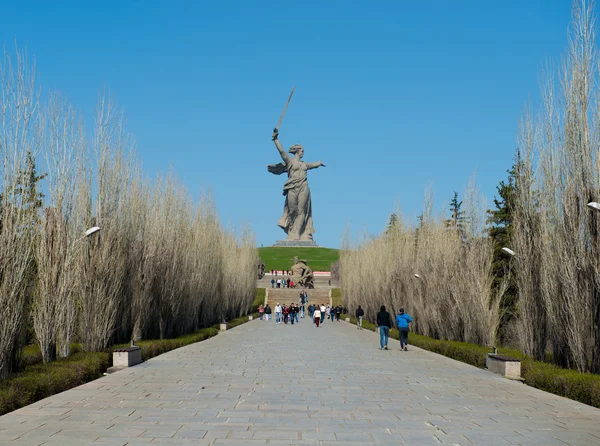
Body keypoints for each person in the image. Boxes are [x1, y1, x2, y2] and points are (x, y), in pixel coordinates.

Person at [268, 128, 326, 242]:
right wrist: (275, 139)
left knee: (301, 211)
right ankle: (291, 232)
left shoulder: (305, 164)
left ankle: (297, 234)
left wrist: (319, 163)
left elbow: (314, 165)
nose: (303, 152)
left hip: (303, 187)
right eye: (302, 150)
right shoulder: (290, 162)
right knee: (292, 210)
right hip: (292, 188)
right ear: (297, 151)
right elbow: (281, 151)